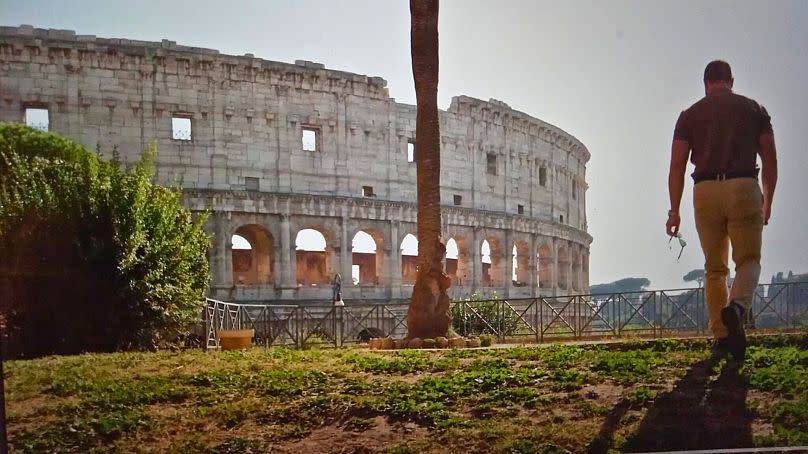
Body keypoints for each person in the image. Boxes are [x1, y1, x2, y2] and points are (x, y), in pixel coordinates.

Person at [666, 60, 778, 362]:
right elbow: (769, 159)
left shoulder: (689, 115)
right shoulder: (754, 109)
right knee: (749, 260)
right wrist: (767, 200)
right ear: (731, 80)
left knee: (714, 268)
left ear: (706, 83)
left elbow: (676, 166)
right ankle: (738, 308)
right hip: (743, 184)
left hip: (705, 190)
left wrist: (673, 211)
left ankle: (721, 335)